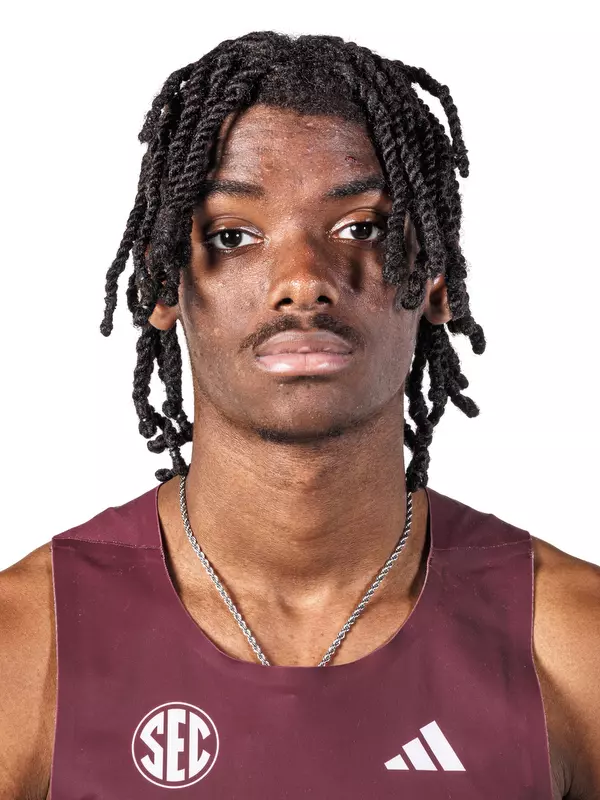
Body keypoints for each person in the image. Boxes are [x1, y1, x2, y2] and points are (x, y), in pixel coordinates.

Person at [0, 30, 598, 800]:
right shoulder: (28, 644)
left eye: (362, 228)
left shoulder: (569, 641)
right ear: (161, 286)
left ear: (439, 278)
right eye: (234, 236)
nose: (303, 282)